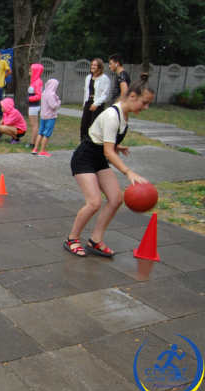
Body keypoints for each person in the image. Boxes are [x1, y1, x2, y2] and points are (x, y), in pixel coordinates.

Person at [66, 76, 154, 257]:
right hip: (84, 158)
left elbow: (106, 142)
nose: (146, 108)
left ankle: (95, 240)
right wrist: (128, 171)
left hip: (98, 159)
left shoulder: (124, 115)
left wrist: (116, 145)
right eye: (144, 103)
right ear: (132, 97)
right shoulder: (113, 115)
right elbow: (107, 152)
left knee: (115, 199)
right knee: (94, 202)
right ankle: (72, 238)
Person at [80, 58, 110, 140]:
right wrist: (84, 104)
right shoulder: (88, 77)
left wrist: (96, 104)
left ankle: (92, 143)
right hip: (88, 102)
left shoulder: (104, 78)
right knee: (84, 125)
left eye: (95, 65)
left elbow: (105, 94)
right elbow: (86, 91)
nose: (92, 67)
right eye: (92, 65)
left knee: (94, 125)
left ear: (99, 67)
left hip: (97, 104)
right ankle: (83, 143)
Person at [33, 78, 61, 157]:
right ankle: (42, 151)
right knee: (47, 134)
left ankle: (35, 149)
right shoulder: (51, 94)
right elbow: (53, 106)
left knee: (40, 132)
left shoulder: (44, 93)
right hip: (50, 116)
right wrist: (58, 102)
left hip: (43, 116)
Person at [28, 63, 44, 147]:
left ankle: (33, 143)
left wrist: (29, 99)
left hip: (34, 106)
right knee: (33, 125)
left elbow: (39, 95)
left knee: (34, 125)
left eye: (31, 70)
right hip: (32, 106)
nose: (29, 72)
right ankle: (33, 141)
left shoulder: (37, 82)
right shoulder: (34, 81)